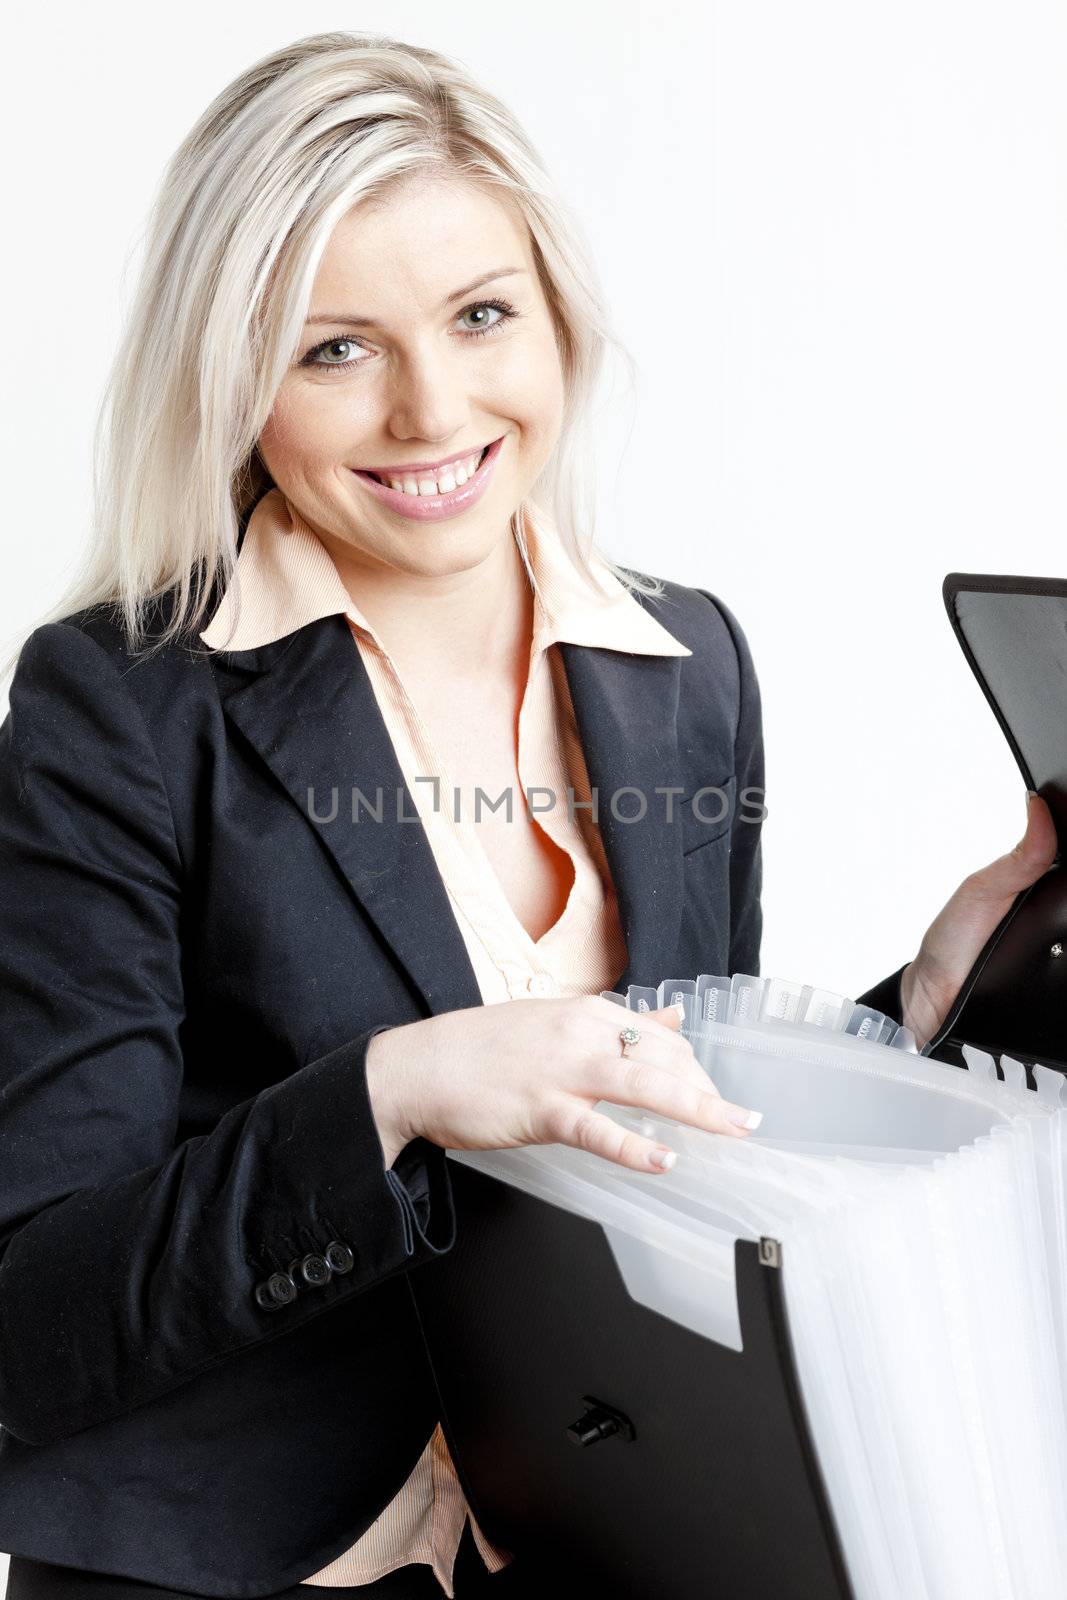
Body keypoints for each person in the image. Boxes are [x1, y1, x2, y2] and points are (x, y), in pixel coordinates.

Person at [0, 29, 1057, 1600]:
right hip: (242, 1566)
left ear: (558, 324)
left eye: (481, 316)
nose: (431, 410)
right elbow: (36, 1314)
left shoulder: (682, 666)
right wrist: (398, 1089)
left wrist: (926, 998)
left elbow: (669, 1139)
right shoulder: (124, 706)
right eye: (333, 347)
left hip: (590, 1538)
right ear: (234, 380)